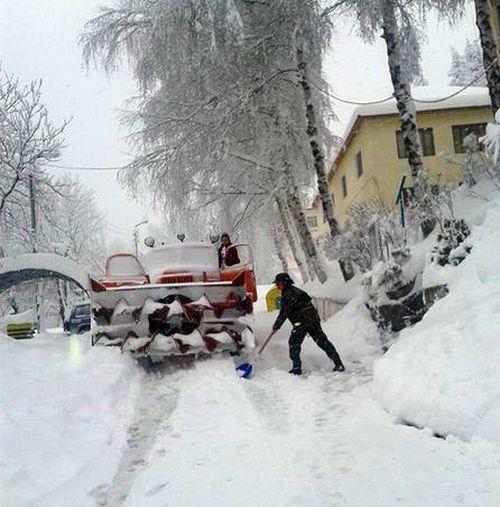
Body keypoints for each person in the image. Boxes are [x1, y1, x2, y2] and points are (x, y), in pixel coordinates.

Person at [269, 272, 345, 375]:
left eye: (278, 283)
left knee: (294, 344)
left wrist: (276, 326)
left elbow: (284, 312)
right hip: (313, 319)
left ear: (284, 283)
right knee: (322, 341)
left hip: (301, 322)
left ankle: (296, 368)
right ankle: (338, 363)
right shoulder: (296, 291)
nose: (277, 286)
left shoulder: (288, 294)